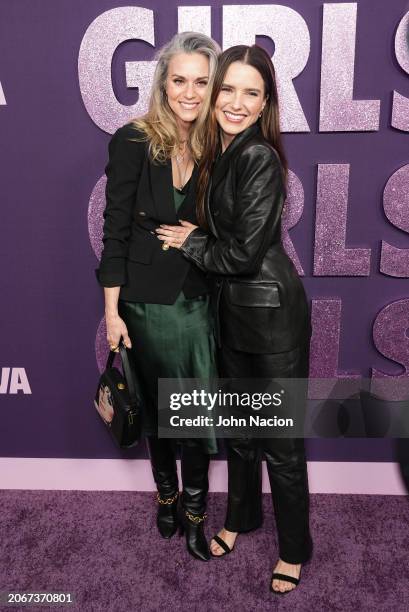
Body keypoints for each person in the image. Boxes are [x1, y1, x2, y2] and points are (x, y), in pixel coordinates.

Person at [156, 44, 313, 592]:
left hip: (272, 323)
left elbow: (243, 254)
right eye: (228, 89)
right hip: (234, 317)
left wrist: (194, 243)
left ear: (266, 101)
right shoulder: (221, 152)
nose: (236, 102)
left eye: (252, 92)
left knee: (281, 444)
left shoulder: (258, 157)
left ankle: (294, 551)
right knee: (243, 435)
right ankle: (242, 519)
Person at [96, 32, 220, 562]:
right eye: (179, 80)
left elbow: (242, 227)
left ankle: (195, 511)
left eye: (201, 81)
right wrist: (111, 313)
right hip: (144, 303)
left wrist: (198, 237)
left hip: (202, 298)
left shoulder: (223, 142)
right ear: (162, 82)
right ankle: (166, 497)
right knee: (156, 411)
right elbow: (115, 229)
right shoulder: (132, 140)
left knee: (189, 413)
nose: (189, 93)